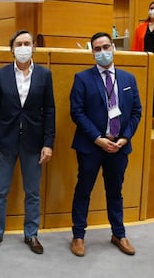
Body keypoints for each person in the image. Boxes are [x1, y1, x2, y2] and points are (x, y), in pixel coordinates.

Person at [70, 32, 141, 257]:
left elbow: (137, 112)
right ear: (92, 52)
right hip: (91, 146)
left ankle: (118, 234)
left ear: (114, 48)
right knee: (84, 190)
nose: (102, 52)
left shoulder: (129, 79)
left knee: (115, 191)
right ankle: (79, 236)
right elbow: (77, 112)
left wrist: (125, 138)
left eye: (106, 47)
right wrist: (97, 139)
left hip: (119, 147)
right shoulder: (82, 78)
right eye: (97, 48)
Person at [0, 30, 55, 254]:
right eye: (19, 44)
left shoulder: (44, 74)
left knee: (32, 192)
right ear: (12, 49)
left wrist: (48, 142)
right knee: (0, 191)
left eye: (27, 43)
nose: (23, 47)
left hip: (34, 143)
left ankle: (31, 234)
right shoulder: (1, 74)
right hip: (5, 142)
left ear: (33, 47)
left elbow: (50, 110)